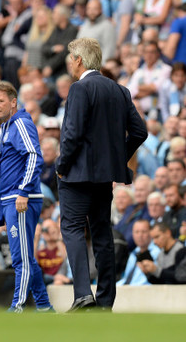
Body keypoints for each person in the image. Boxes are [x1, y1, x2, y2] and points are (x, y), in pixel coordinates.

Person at [57, 38, 147, 312]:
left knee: (72, 229)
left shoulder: (79, 89)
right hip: (103, 178)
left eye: (71, 59)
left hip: (76, 176)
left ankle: (83, 294)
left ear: (79, 60)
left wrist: (61, 165)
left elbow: (72, 134)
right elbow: (140, 132)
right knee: (102, 233)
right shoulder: (120, 90)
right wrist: (117, 158)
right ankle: (105, 301)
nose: (70, 64)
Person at [0, 82, 52, 312]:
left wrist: (23, 192)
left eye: (0, 101)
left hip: (20, 198)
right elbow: (11, 161)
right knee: (25, 256)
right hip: (11, 197)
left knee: (20, 258)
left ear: (13, 102)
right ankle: (45, 307)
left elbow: (34, 157)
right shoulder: (6, 126)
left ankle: (17, 307)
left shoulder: (21, 124)